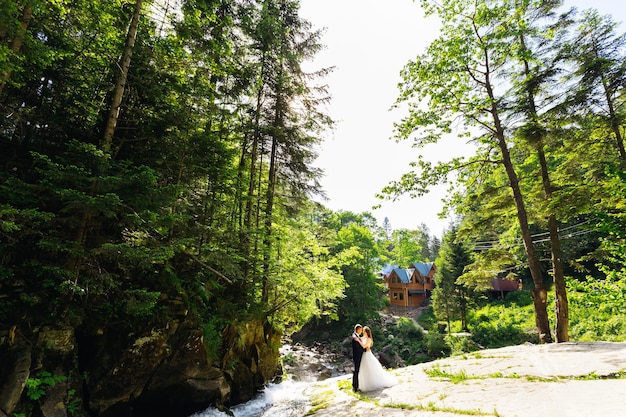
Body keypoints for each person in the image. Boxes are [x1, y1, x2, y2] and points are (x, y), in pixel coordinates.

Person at [356, 326, 397, 392]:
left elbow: (364, 346)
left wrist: (358, 341)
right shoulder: (362, 338)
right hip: (363, 355)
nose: (363, 333)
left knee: (370, 368)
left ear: (367, 332)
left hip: (367, 355)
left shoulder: (369, 339)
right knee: (363, 369)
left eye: (364, 332)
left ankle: (371, 383)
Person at [351, 324, 365, 392]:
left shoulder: (357, 336)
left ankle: (356, 385)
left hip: (357, 356)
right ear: (358, 329)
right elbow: (357, 348)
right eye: (361, 330)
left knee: (357, 371)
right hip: (357, 356)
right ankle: (355, 386)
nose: (361, 331)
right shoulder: (354, 337)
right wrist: (364, 350)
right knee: (356, 371)